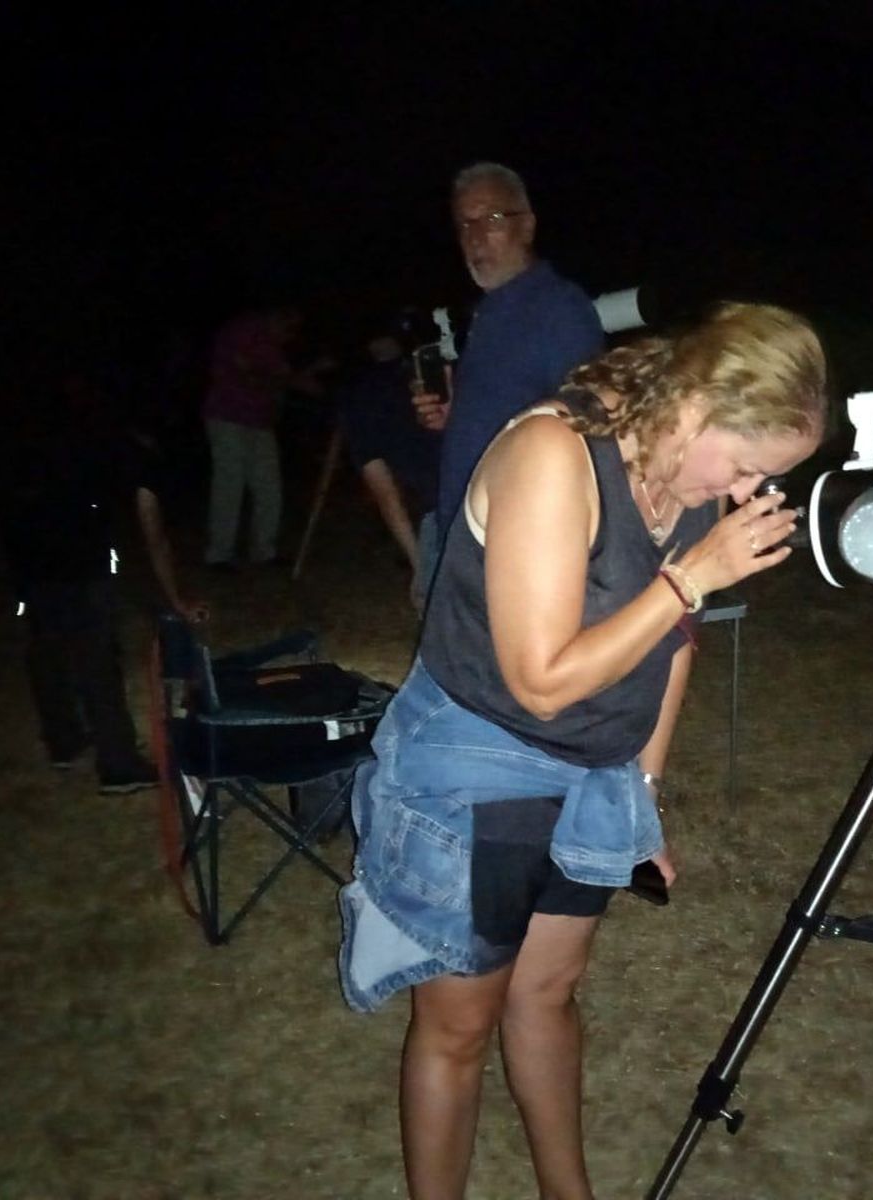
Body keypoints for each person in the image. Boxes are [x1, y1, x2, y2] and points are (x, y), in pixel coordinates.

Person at [340, 303, 828, 1199]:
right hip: (477, 763)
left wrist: (643, 791)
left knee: (547, 995)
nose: (750, 491)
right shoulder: (554, 457)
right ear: (694, 404)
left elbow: (674, 641)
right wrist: (693, 574)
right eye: (750, 465)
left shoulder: (688, 480)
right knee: (460, 1023)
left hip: (594, 775)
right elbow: (541, 680)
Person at [6, 372, 210, 793]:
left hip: (27, 549)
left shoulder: (69, 430)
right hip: (75, 556)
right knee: (96, 655)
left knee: (46, 641)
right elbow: (153, 534)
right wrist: (175, 598)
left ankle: (63, 742)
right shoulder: (137, 455)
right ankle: (118, 766)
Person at [412, 162, 605, 597]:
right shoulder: (490, 310)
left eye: (493, 219)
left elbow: (590, 434)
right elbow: (508, 406)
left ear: (528, 226)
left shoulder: (559, 311)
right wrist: (451, 415)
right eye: (465, 223)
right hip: (462, 527)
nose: (476, 237)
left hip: (509, 547)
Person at [201, 305, 328, 568]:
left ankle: (264, 552)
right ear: (276, 314)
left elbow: (283, 380)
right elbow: (251, 375)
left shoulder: (274, 344)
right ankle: (219, 555)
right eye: (290, 325)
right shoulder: (242, 330)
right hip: (228, 416)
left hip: (260, 422)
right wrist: (296, 382)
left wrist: (307, 376)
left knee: (269, 486)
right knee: (230, 485)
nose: (292, 334)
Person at [338, 323, 441, 580]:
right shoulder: (362, 394)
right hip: (444, 491)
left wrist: (417, 563)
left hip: (441, 493)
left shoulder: (357, 394)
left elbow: (384, 491)